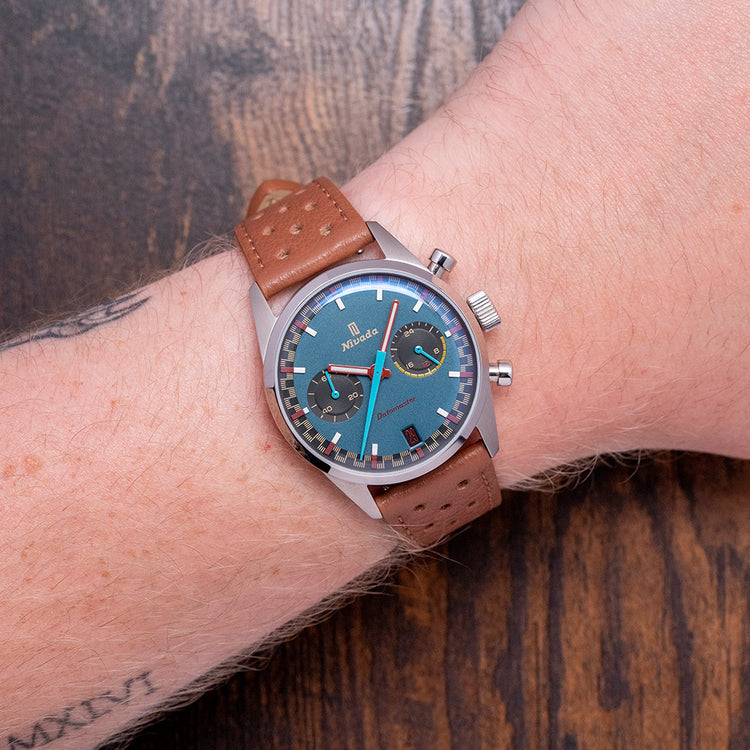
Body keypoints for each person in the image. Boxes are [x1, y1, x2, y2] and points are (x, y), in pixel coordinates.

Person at [2, 0, 749, 746]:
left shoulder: (418, 341)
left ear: (462, 309)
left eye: (400, 351)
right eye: (352, 375)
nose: (377, 371)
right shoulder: (316, 385)